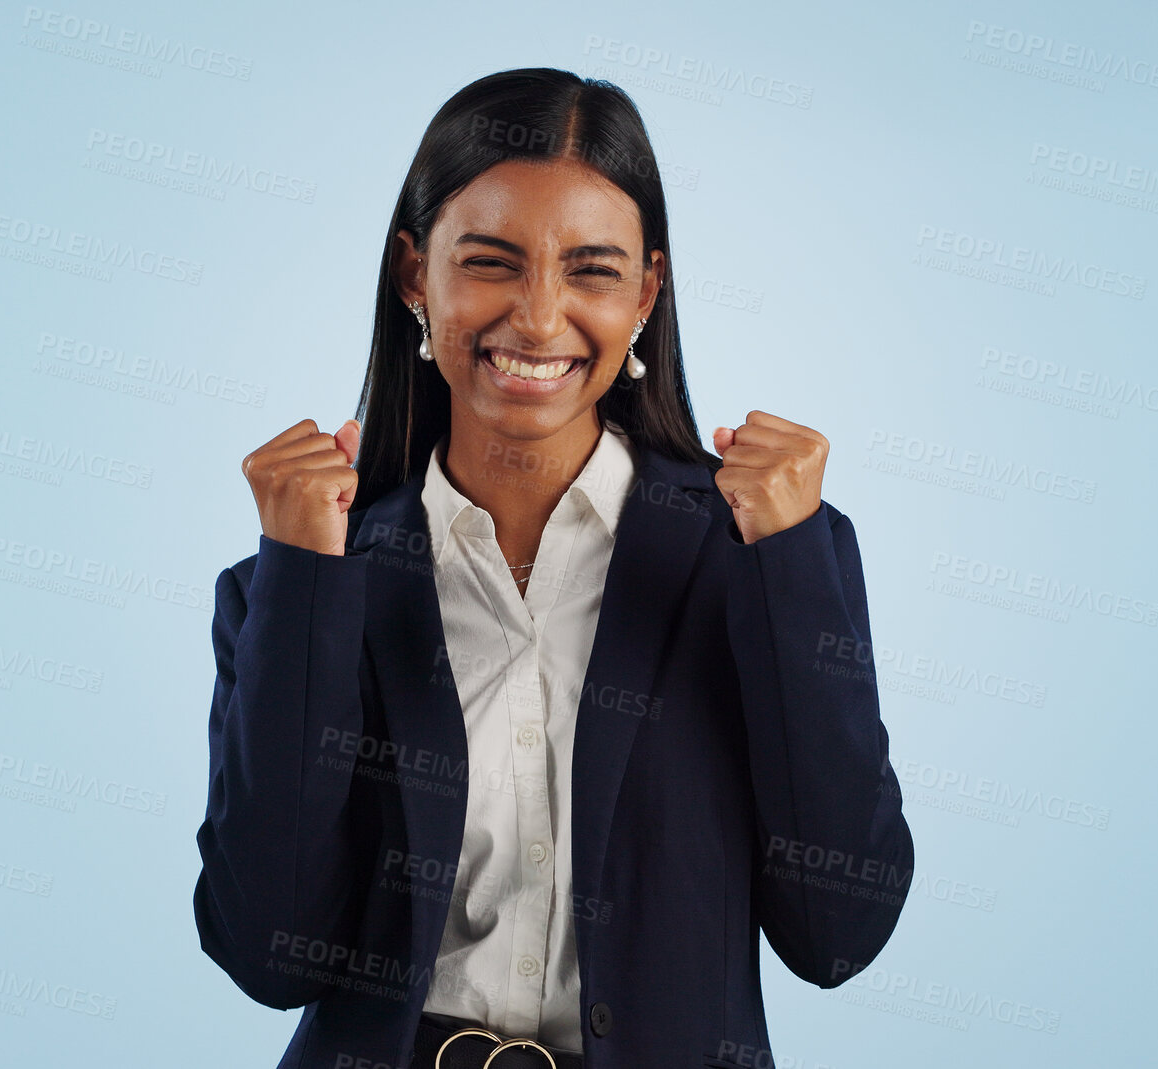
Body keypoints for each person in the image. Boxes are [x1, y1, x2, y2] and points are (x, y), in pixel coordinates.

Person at [193, 67, 915, 1069]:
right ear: (415, 277)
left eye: (591, 270)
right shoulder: (303, 578)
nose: (537, 319)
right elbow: (268, 952)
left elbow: (837, 932)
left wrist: (785, 565)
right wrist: (306, 581)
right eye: (489, 262)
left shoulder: (758, 551)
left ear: (646, 294)